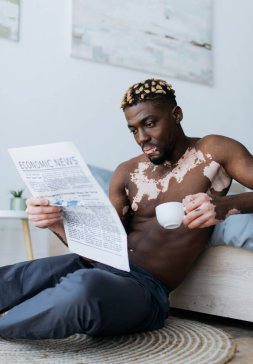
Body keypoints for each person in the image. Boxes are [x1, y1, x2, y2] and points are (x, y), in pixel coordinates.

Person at [1, 78, 253, 339]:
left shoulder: (214, 151)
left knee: (83, 291)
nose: (142, 138)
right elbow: (102, 246)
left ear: (176, 114)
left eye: (150, 123)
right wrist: (56, 222)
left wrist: (226, 206)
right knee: (13, 277)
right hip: (95, 266)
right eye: (133, 130)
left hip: (143, 287)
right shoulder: (127, 172)